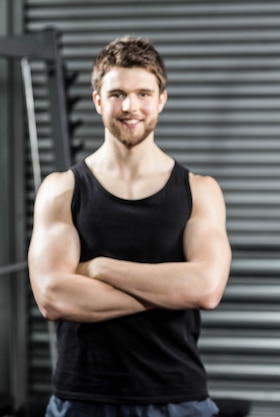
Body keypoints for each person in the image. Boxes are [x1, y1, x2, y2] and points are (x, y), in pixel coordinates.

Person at [28, 36, 231, 417]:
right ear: (98, 100)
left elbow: (205, 289)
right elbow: (54, 296)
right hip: (83, 399)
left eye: (142, 93)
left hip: (178, 396)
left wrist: (101, 268)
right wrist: (170, 290)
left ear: (161, 99)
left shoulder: (199, 190)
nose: (130, 106)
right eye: (117, 93)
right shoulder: (62, 189)